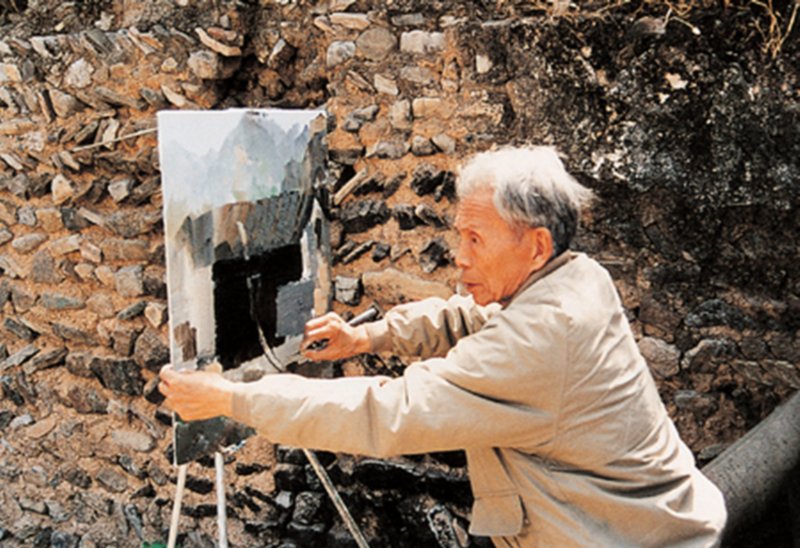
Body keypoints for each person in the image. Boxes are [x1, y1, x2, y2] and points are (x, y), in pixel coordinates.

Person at [160, 146, 727, 546]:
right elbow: (472, 315)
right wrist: (370, 335)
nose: (460, 256)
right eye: (461, 236)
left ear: (536, 245)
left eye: (476, 239)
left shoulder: (544, 335)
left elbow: (389, 412)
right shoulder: (575, 276)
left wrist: (233, 398)